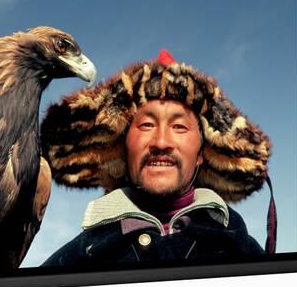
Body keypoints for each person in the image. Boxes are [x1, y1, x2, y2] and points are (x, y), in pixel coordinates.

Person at [40, 50, 276, 267]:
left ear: (201, 155)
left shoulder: (245, 253)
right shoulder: (73, 262)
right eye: (146, 124)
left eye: (180, 126)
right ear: (124, 147)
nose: (161, 142)